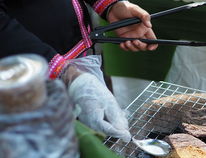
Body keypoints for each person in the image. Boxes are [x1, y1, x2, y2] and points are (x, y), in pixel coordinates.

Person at [0, 0, 158, 141]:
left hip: (81, 59)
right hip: (22, 82)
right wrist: (64, 73)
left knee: (103, 139)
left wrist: (109, 5)